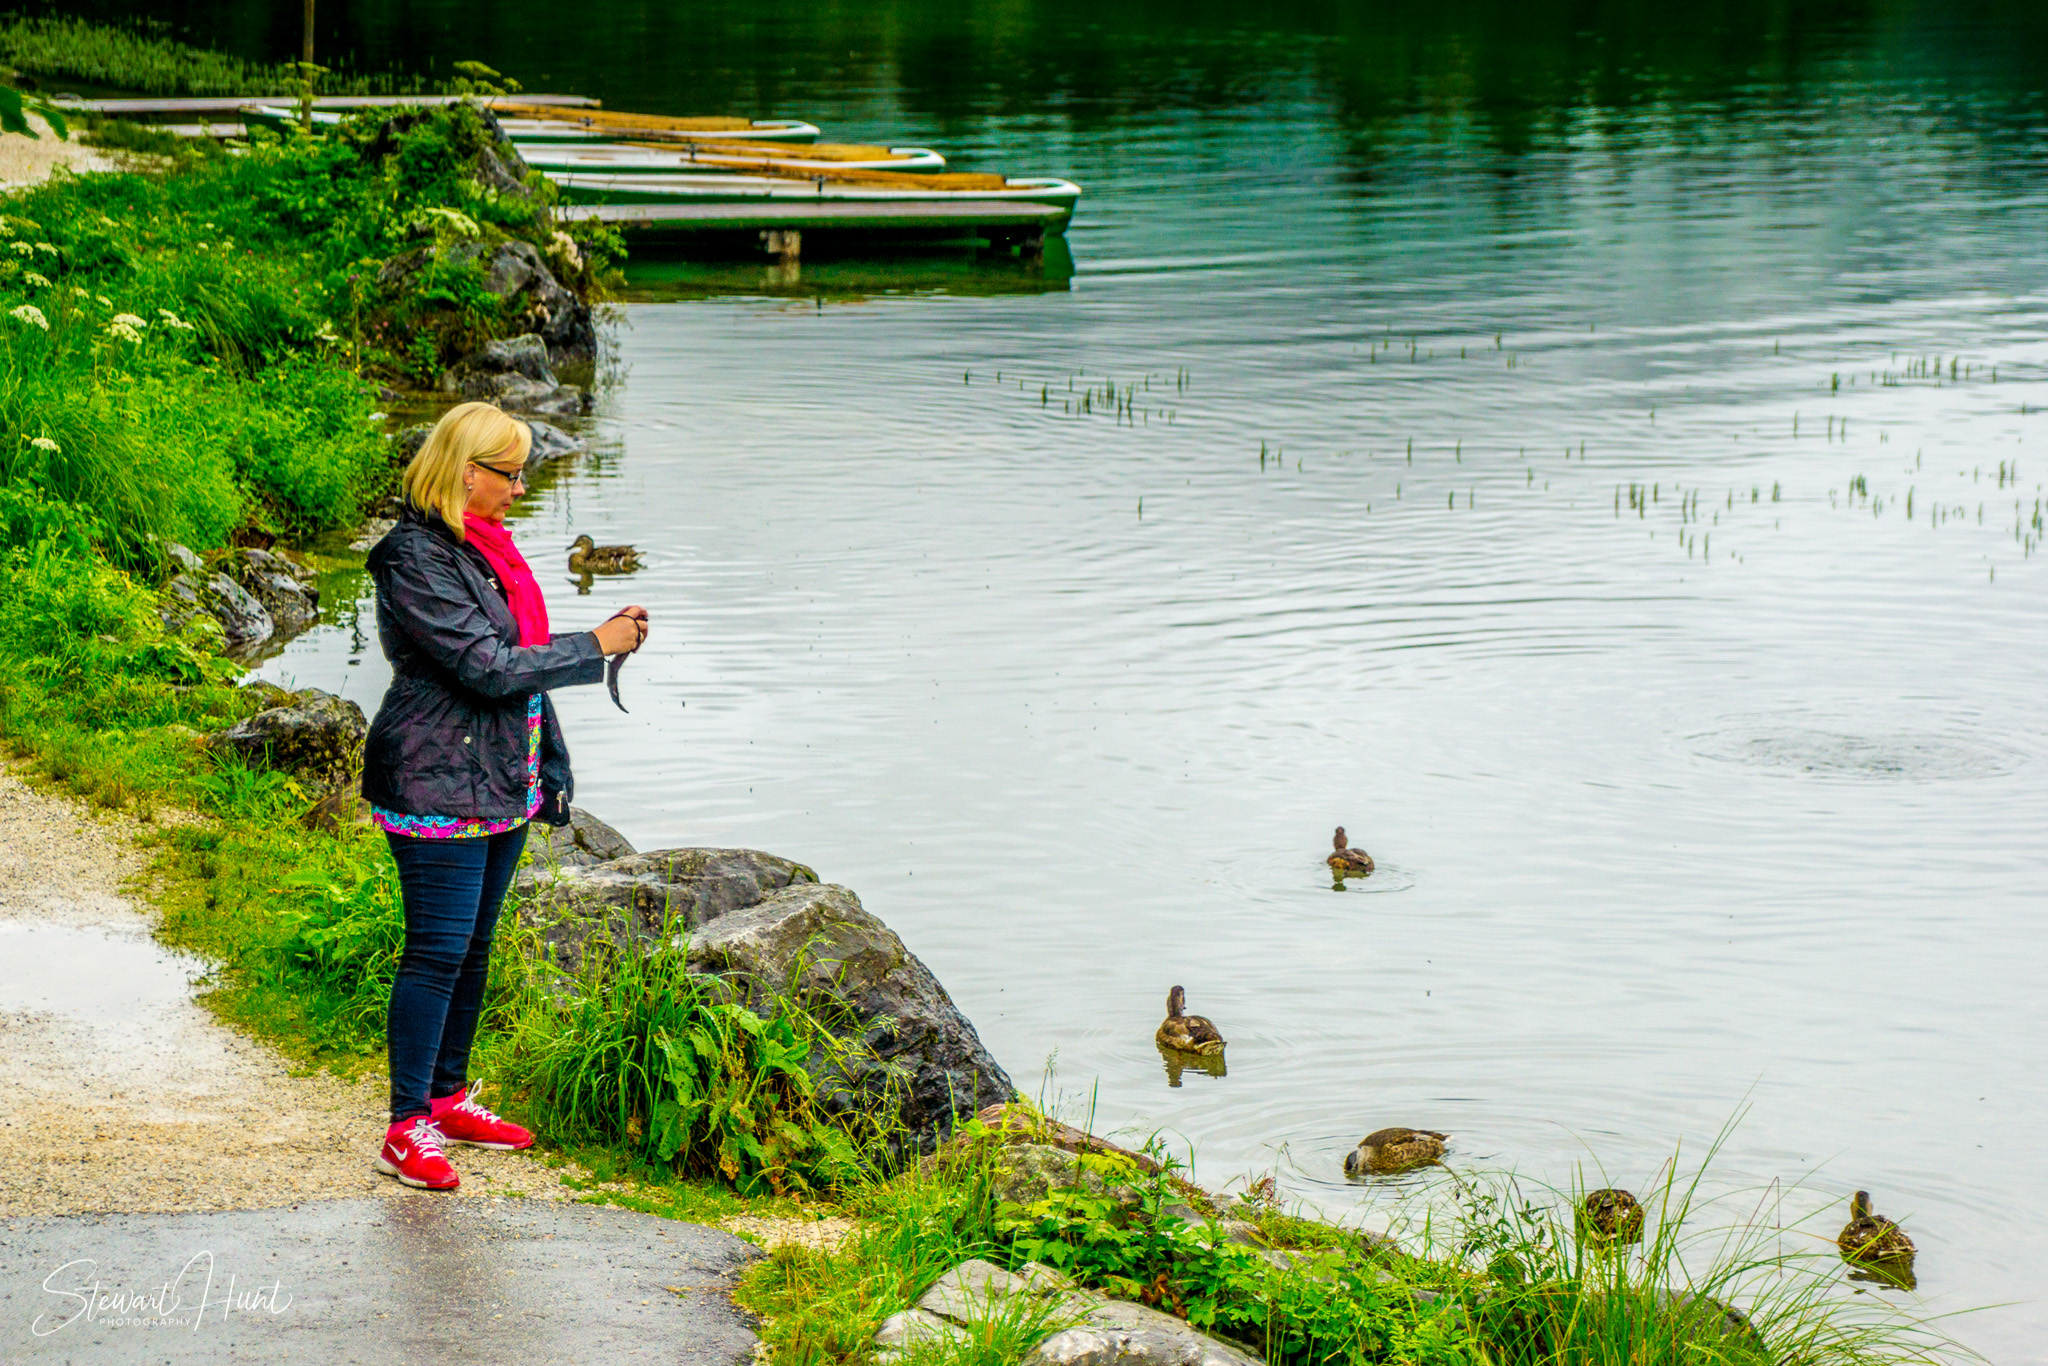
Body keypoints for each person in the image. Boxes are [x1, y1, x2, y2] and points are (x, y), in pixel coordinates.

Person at [358, 401, 647, 1191]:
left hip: (499, 774)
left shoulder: (483, 550)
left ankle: (447, 1097)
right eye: (511, 473)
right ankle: (405, 1126)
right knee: (436, 952)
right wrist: (594, 646)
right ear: (465, 471)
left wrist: (548, 762)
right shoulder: (413, 557)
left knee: (474, 949)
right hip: (432, 777)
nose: (521, 489)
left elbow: (516, 664)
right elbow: (484, 665)